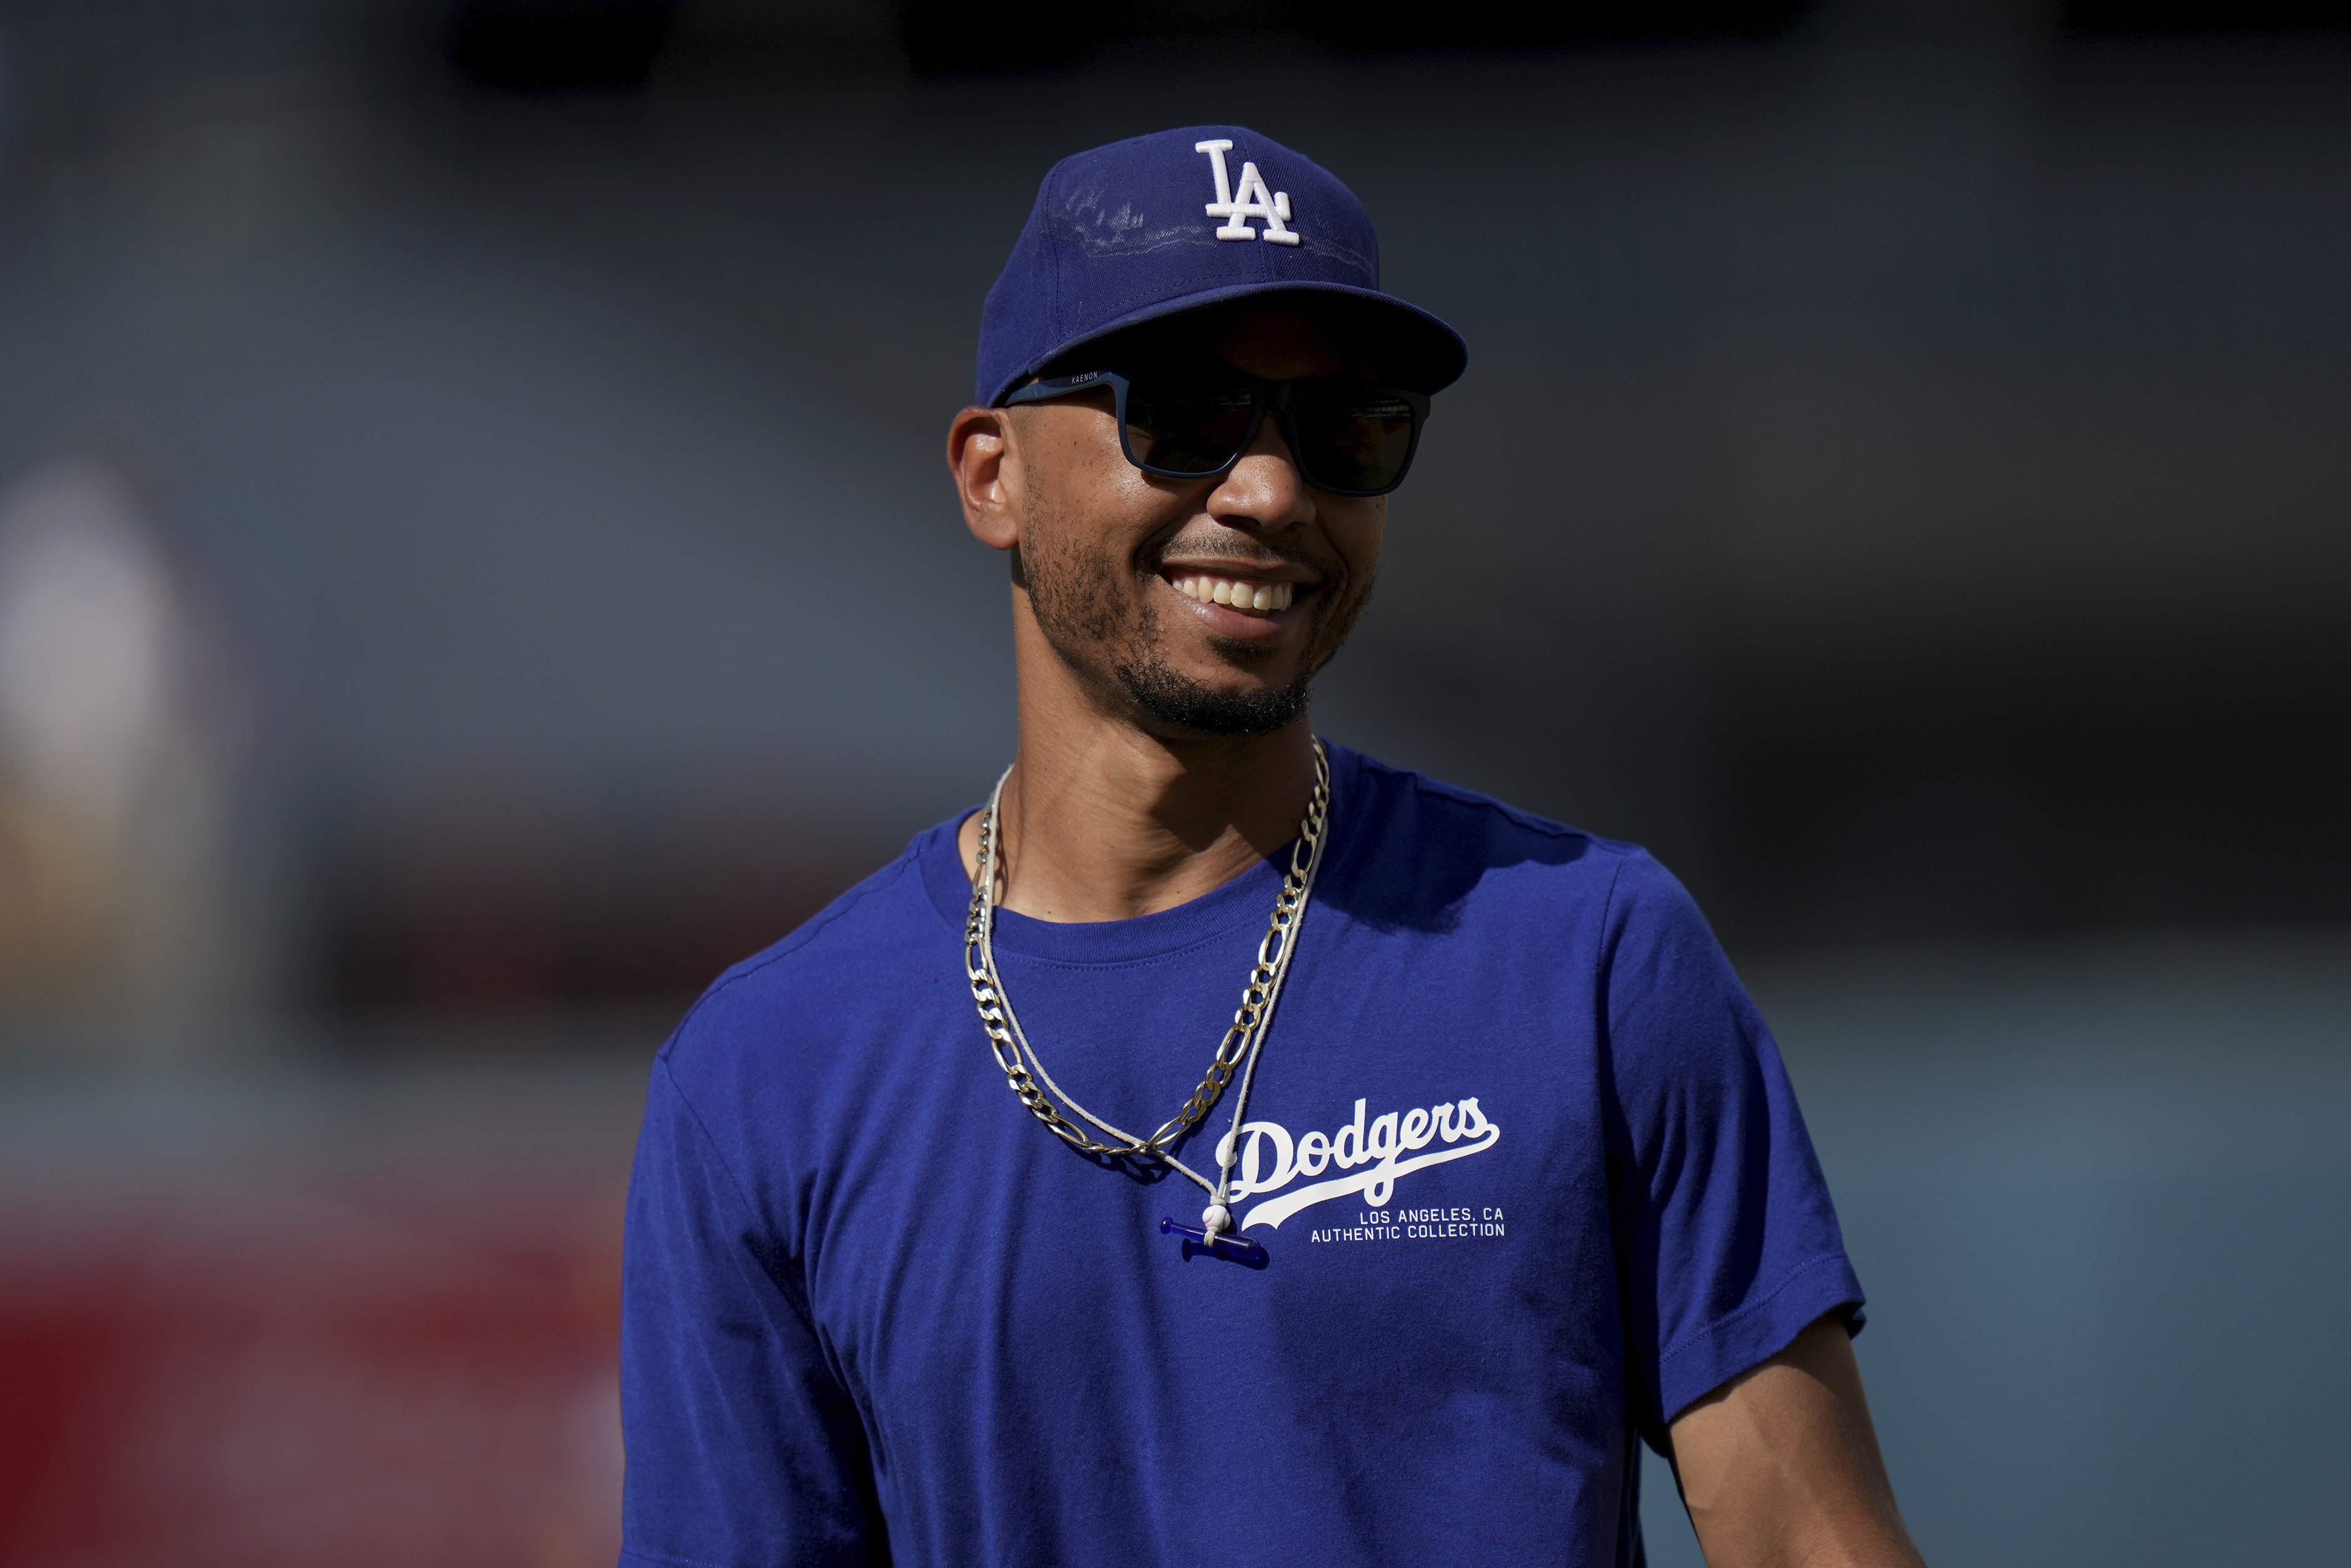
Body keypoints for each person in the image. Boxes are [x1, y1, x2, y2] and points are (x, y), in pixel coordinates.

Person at [619, 126, 1927, 1568]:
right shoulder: (768, 1073)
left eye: (1345, 428)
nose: (1270, 493)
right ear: (991, 474)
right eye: (1181, 415)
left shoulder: (1585, 953)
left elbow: (1812, 1543)